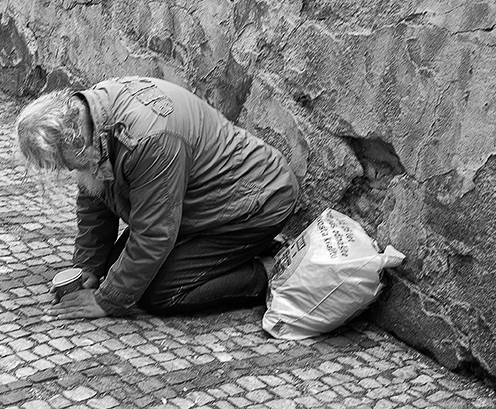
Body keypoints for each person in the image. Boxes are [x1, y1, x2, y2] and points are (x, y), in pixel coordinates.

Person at [16, 75, 300, 319]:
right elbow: (95, 198)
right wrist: (88, 266)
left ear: (75, 141)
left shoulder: (150, 140)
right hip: (199, 206)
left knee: (158, 293)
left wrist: (107, 301)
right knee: (117, 266)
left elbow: (155, 234)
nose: (63, 169)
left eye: (59, 162)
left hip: (256, 203)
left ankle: (269, 270)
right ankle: (239, 253)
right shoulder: (89, 117)